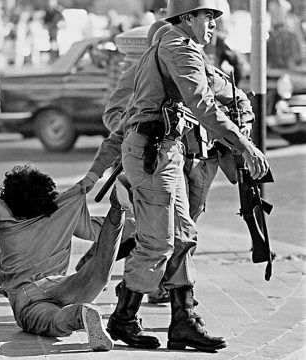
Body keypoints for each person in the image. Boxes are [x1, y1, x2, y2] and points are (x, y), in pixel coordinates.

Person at [83, 0, 269, 352]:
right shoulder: (178, 47)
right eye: (207, 16)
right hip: (153, 153)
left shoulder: (178, 49)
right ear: (187, 17)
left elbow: (223, 98)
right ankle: (123, 318)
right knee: (156, 242)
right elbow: (202, 104)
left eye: (215, 17)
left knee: (183, 234)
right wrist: (245, 146)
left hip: (165, 151)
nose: (213, 23)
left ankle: (184, 320)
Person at [0, 138, 124, 351]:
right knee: (99, 273)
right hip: (62, 285)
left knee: (52, 321)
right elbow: (98, 232)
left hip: (27, 297)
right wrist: (131, 219)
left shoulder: (7, 221)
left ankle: (81, 314)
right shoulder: (62, 211)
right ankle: (118, 207)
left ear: (8, 200)